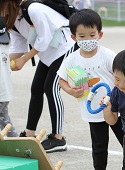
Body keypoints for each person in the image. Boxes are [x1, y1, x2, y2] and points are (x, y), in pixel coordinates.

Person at [0, 0, 79, 152]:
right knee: (36, 89)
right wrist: (4, 63)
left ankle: (58, 138)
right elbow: (18, 47)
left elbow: (45, 37)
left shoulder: (33, 9)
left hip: (65, 47)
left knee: (51, 88)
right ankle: (30, 134)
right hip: (48, 53)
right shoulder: (14, 20)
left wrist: (24, 59)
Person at [57, 9, 124, 170]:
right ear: (74, 37)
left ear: (100, 35)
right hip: (93, 111)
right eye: (82, 36)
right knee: (99, 147)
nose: (88, 39)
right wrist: (71, 91)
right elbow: (61, 79)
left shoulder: (107, 55)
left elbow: (121, 74)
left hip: (115, 108)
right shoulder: (72, 59)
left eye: (92, 35)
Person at [0, 16, 18, 137]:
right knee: (4, 119)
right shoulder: (5, 48)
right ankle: (15, 141)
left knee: (4, 119)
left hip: (2, 92)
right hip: (5, 94)